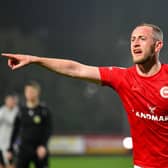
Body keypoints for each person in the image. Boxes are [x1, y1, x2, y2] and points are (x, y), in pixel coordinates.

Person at [2, 23, 167, 168]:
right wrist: (34, 59)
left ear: (158, 45)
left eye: (142, 38)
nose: (135, 43)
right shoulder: (123, 78)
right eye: (132, 39)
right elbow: (75, 69)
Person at [7, 81, 51, 168]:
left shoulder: (44, 111)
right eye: (27, 91)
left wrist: (43, 146)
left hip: (39, 149)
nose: (29, 94)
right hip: (23, 149)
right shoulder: (21, 111)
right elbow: (15, 130)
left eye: (31, 91)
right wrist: (10, 149)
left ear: (37, 92)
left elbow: (48, 130)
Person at [0, 94, 19, 168]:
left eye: (12, 101)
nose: (10, 102)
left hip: (12, 144)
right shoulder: (2, 111)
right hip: (1, 143)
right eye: (9, 100)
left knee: (11, 165)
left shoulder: (18, 112)